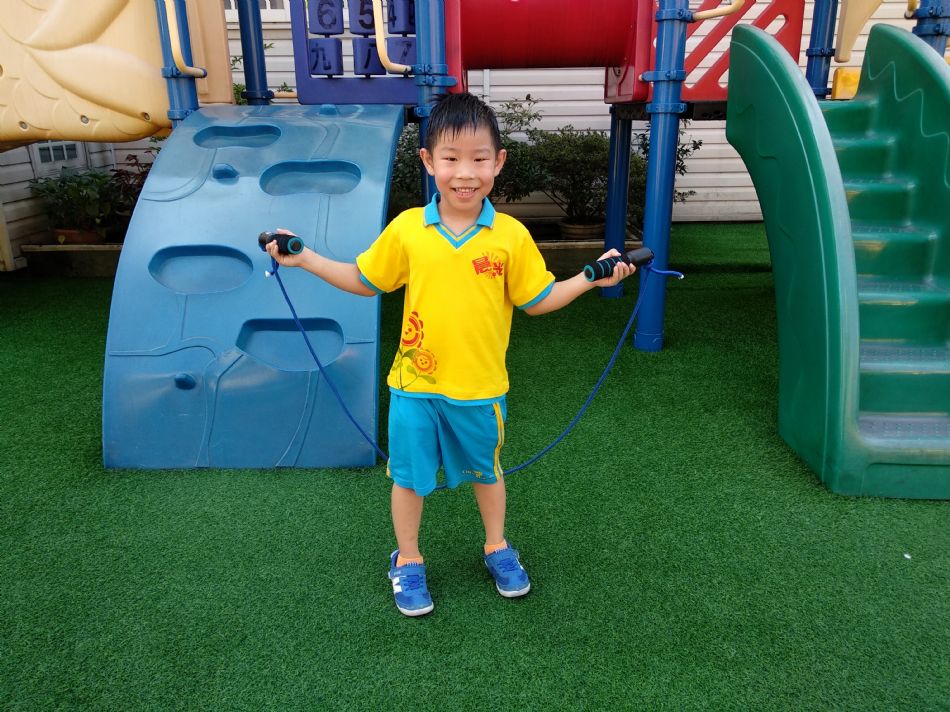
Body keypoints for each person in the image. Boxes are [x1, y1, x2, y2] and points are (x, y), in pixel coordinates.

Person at [266, 91, 635, 617]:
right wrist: (305, 258)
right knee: (408, 479)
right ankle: (408, 559)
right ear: (428, 161)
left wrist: (589, 278)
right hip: (414, 388)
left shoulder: (510, 236)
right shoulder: (407, 229)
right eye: (451, 158)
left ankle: (497, 547)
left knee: (488, 472)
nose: (465, 173)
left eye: (479, 158)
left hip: (480, 389)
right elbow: (365, 280)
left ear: (498, 162)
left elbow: (537, 300)